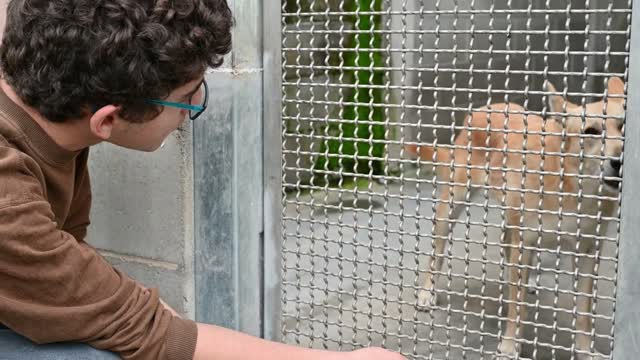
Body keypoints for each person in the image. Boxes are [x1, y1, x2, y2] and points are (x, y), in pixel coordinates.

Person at [0, 0, 407, 359]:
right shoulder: (9, 199)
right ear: (107, 119)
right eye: (186, 97)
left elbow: (107, 301)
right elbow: (150, 334)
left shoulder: (53, 119)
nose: (196, 106)